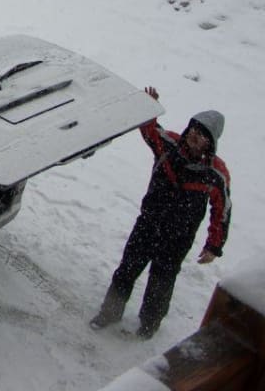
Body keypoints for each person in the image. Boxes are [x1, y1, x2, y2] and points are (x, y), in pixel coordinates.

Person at [90, 86, 231, 339]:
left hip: (177, 239)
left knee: (161, 283)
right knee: (126, 270)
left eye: (202, 136)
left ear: (211, 143)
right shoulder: (168, 146)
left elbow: (221, 211)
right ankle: (109, 313)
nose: (194, 137)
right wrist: (149, 105)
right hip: (148, 224)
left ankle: (148, 325)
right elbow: (149, 129)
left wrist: (214, 245)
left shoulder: (215, 173)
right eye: (194, 130)